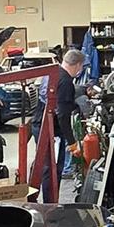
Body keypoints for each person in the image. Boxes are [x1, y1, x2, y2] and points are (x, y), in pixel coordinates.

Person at [32, 49, 85, 183]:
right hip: (51, 131)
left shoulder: (52, 73)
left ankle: (46, 201)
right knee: (52, 170)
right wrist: (72, 142)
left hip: (39, 125)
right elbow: (62, 115)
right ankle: (50, 203)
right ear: (78, 65)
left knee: (45, 167)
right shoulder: (66, 82)